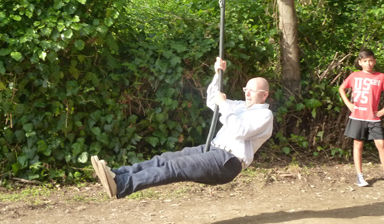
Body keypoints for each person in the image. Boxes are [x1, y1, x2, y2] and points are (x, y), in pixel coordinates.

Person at [91, 57, 274, 199]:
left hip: (227, 162)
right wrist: (218, 74)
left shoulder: (264, 116)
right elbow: (213, 101)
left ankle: (122, 185)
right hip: (212, 150)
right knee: (164, 159)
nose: (247, 93)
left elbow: (239, 131)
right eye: (246, 89)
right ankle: (117, 174)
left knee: (175, 167)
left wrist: (224, 104)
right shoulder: (240, 106)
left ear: (264, 95)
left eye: (252, 90)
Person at [339, 49, 384, 187]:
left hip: (373, 117)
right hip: (358, 116)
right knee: (358, 145)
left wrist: (383, 111)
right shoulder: (354, 75)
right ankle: (360, 176)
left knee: (381, 144)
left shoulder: (380, 76)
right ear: (360, 62)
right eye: (365, 61)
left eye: (370, 60)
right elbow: (342, 88)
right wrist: (348, 103)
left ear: (374, 61)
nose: (368, 63)